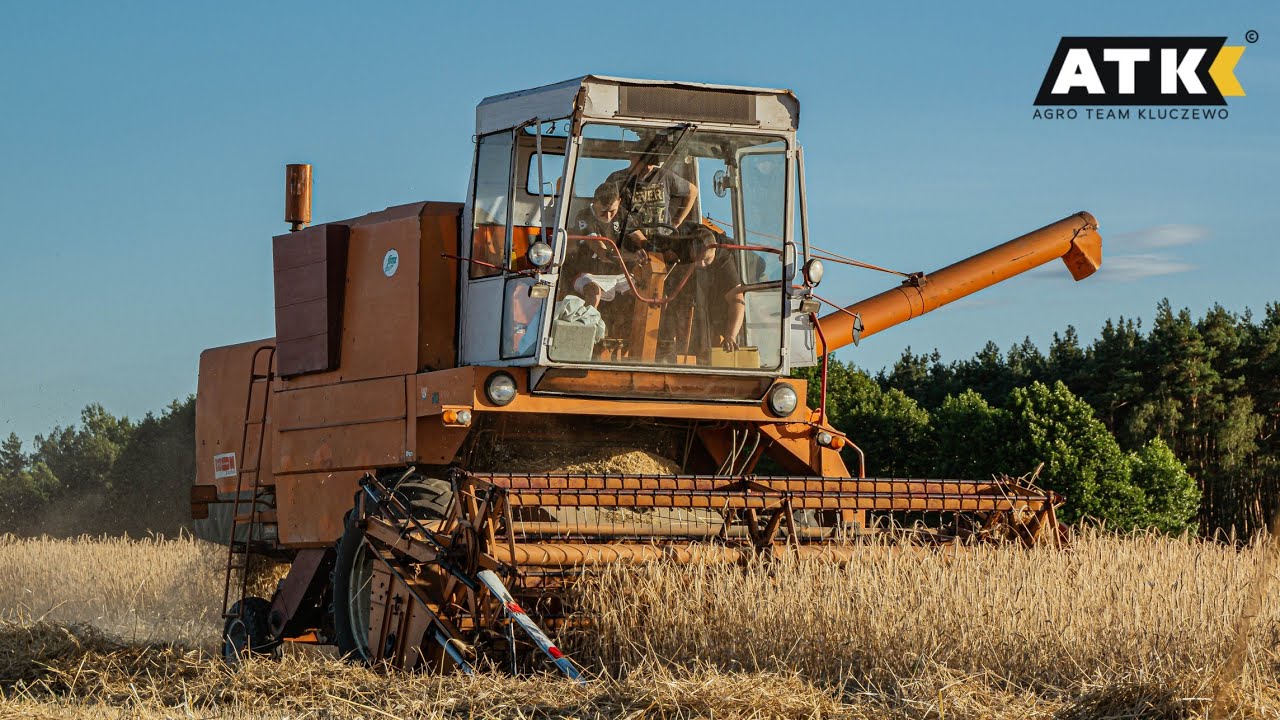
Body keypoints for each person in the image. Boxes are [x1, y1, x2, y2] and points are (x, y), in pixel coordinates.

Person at [567, 182, 647, 309]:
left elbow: (641, 240)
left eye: (612, 211)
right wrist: (633, 257)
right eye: (603, 211)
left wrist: (651, 249)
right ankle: (586, 323)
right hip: (589, 274)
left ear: (619, 201)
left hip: (619, 275)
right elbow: (603, 254)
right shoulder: (584, 217)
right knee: (594, 292)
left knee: (647, 289)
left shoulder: (622, 214)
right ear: (595, 202)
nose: (608, 216)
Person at [605, 145, 699, 247]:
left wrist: (677, 220)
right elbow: (605, 207)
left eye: (652, 163)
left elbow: (692, 191)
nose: (648, 167)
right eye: (644, 162)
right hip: (630, 242)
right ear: (632, 157)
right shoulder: (616, 179)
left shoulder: (664, 176)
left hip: (662, 242)